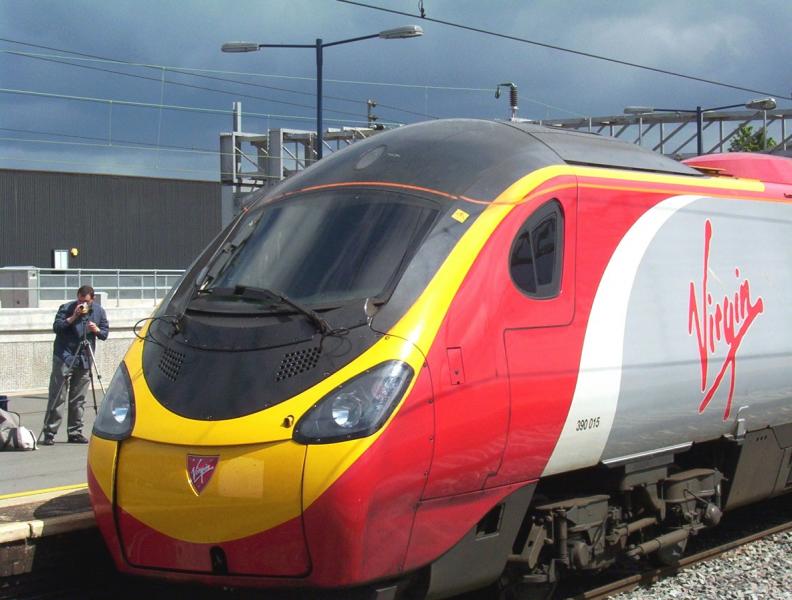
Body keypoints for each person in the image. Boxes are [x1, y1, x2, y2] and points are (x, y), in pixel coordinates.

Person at [42, 285, 109, 445]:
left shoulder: (99, 311)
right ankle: (50, 432)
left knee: (78, 399)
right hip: (65, 356)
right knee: (58, 396)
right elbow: (57, 327)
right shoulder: (66, 308)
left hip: (84, 357)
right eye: (80, 300)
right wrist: (73, 317)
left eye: (86, 301)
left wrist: (97, 330)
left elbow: (104, 333)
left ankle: (75, 432)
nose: (82, 304)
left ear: (92, 299)